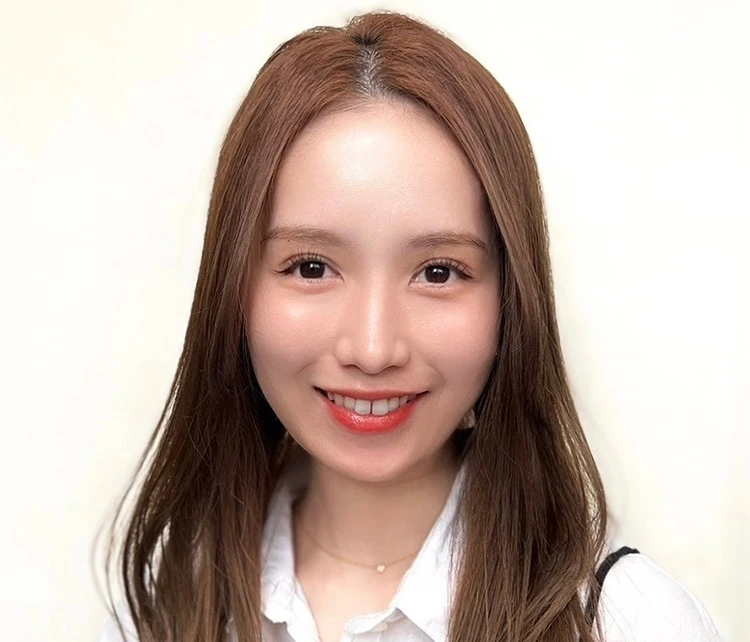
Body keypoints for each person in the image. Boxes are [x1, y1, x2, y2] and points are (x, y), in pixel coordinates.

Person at [98, 10, 721, 642]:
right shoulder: (161, 607)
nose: (373, 350)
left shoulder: (628, 622)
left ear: (510, 297)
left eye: (438, 272)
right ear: (233, 286)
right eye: (311, 267)